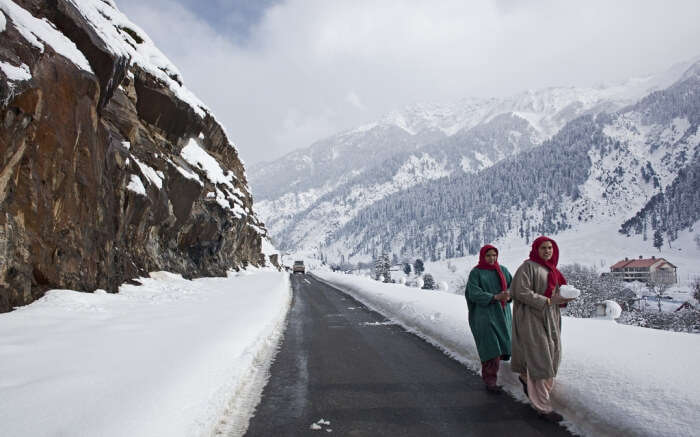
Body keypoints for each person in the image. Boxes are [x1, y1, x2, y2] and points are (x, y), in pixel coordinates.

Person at [510, 236, 573, 422]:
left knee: (553, 356)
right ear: (536, 249)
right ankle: (542, 407)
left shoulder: (552, 270)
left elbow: (555, 293)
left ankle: (525, 378)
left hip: (551, 318)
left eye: (550, 248)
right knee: (541, 360)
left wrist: (563, 298)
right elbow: (519, 292)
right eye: (544, 248)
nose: (547, 251)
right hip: (531, 318)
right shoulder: (527, 267)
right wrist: (546, 301)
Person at [465, 244, 513, 393]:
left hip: (502, 314)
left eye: (494, 255)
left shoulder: (503, 270)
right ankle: (490, 380)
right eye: (488, 256)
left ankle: (494, 377)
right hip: (484, 315)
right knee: (491, 347)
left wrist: (509, 295)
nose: (492, 258)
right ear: (482, 257)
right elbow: (473, 293)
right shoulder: (476, 273)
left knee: (501, 344)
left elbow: (512, 287)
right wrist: (495, 297)